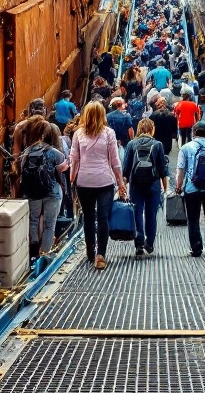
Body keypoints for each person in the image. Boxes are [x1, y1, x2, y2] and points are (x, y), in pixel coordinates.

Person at [69, 101, 127, 270]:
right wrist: (121, 183)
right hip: (104, 181)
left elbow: (74, 159)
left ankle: (89, 251)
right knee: (103, 218)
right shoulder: (109, 133)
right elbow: (115, 161)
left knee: (88, 217)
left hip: (84, 181)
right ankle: (100, 255)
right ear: (102, 115)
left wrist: (73, 178)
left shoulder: (78, 133)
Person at [19, 121, 69, 259]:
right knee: (49, 224)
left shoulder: (27, 151)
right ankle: (45, 253)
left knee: (33, 220)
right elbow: (62, 173)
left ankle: (33, 250)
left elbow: (21, 171)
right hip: (52, 193)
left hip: (32, 193)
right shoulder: (56, 153)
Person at [176, 122, 205, 258]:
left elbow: (181, 170)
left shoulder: (185, 148)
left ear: (194, 132)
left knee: (193, 219)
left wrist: (179, 186)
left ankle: (196, 248)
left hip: (192, 189)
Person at [122, 118, 169, 256]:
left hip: (136, 184)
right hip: (153, 184)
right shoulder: (158, 144)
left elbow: (126, 169)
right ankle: (150, 243)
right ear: (152, 129)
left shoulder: (131, 144)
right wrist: (164, 189)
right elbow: (162, 170)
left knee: (137, 212)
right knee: (151, 214)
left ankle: (139, 242)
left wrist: (123, 186)